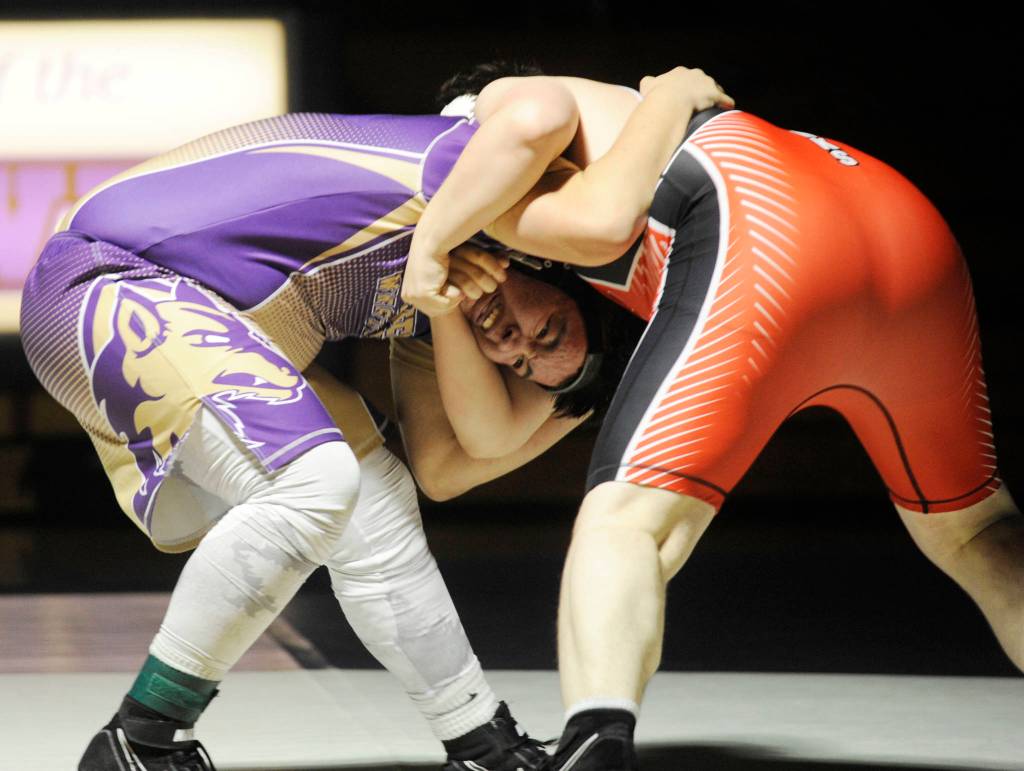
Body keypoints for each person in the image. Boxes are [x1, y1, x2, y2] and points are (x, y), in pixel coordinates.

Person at [17, 69, 720, 771]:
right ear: (557, 268)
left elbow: (448, 463)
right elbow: (538, 114)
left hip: (175, 306)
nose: (510, 345)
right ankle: (139, 737)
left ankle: (483, 746)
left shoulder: (443, 298)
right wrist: (668, 98)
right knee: (315, 478)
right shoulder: (475, 173)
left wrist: (447, 290)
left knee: (374, 496)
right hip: (111, 276)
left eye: (521, 364)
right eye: (545, 329)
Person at [402, 69, 1024, 771]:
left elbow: (546, 138)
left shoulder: (471, 147)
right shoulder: (584, 236)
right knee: (975, 528)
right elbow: (456, 457)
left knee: (624, 524)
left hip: (764, 214)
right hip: (900, 217)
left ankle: (593, 746)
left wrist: (432, 243)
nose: (516, 334)